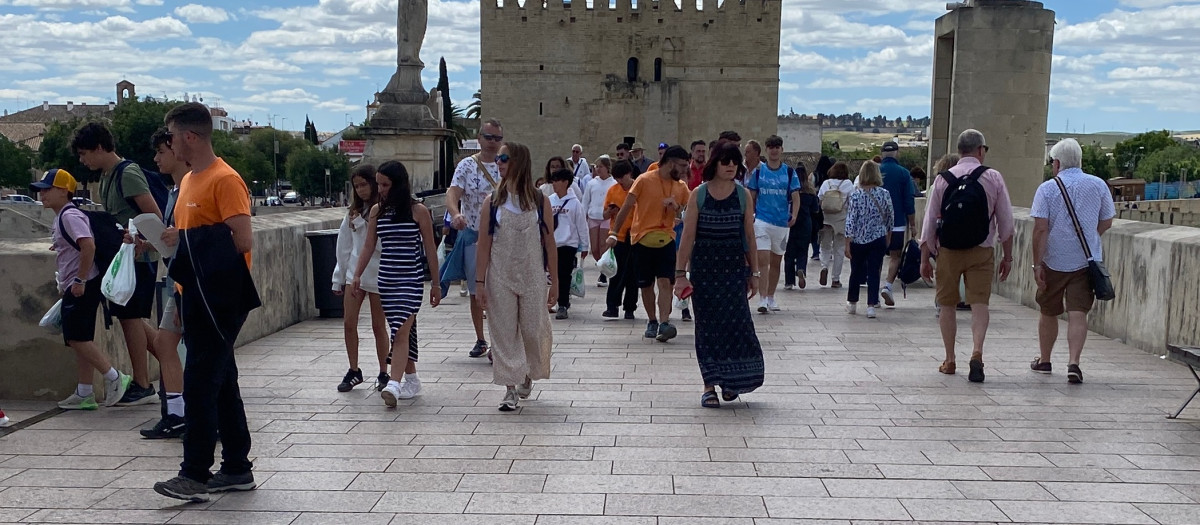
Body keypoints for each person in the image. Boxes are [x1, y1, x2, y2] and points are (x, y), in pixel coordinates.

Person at [154, 102, 260, 502]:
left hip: (221, 299)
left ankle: (194, 474)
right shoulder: (187, 184)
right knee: (221, 382)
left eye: (172, 136)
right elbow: (193, 240)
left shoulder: (224, 179)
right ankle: (236, 467)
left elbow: (242, 239)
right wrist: (170, 240)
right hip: (193, 295)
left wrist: (189, 243)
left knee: (199, 383)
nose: (169, 143)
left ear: (190, 137)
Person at [71, 122, 161, 406]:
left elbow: (153, 215)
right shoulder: (109, 175)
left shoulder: (127, 173)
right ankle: (175, 365)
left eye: (85, 154)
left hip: (137, 256)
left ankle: (143, 384)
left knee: (130, 317)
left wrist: (141, 242)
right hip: (124, 257)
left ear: (100, 148)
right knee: (129, 317)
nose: (83, 161)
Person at [31, 169, 132, 411]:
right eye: (41, 190)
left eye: (48, 189)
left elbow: (88, 246)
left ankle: (114, 377)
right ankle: (84, 392)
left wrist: (79, 280)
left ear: (64, 191)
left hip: (82, 285)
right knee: (80, 336)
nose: (42, 194)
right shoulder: (64, 216)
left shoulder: (69, 216)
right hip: (78, 283)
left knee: (76, 337)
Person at [919, 129, 1015, 383]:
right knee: (979, 305)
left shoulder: (943, 179)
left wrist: (924, 258)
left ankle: (950, 360)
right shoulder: (992, 177)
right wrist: (1008, 257)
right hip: (981, 250)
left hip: (948, 250)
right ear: (981, 150)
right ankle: (977, 353)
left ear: (960, 151)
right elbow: (1006, 223)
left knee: (947, 304)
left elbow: (929, 223)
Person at [673, 141, 763, 408]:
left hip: (733, 271)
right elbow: (687, 237)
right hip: (705, 273)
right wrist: (680, 274)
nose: (731, 166)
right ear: (715, 163)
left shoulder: (742, 195)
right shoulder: (699, 194)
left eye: (734, 161)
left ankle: (731, 380)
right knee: (708, 329)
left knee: (736, 326)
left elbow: (748, 236)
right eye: (725, 161)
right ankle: (709, 385)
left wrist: (754, 272)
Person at [476, 142, 558, 412]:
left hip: (533, 276)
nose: (498, 162)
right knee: (503, 333)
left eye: (504, 158)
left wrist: (555, 280)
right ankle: (509, 389)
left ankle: (526, 373)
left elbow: (549, 241)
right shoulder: (493, 202)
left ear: (518, 162)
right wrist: (479, 283)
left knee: (534, 330)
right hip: (500, 277)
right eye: (498, 158)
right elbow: (484, 244)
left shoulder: (539, 201)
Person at [353, 161, 441, 406]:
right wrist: (357, 274)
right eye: (378, 184)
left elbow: (430, 250)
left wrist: (436, 284)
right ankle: (411, 378)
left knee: (400, 330)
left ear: (398, 185)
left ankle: (394, 383)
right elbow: (368, 245)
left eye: (385, 184)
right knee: (402, 330)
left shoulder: (419, 211)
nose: (380, 189)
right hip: (387, 281)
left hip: (411, 280)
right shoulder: (376, 212)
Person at [1030, 138, 1116, 384]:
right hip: (1085, 261)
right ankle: (1074, 363)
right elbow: (1107, 220)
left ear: (1056, 163)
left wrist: (1037, 265)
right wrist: (1091, 238)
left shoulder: (1046, 189)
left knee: (1049, 311)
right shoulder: (1098, 185)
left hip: (1054, 260)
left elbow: (1040, 229)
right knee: (1078, 312)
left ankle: (1045, 359)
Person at [607, 145, 692, 342]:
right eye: (681, 166)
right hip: (641, 239)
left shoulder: (680, 186)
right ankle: (652, 320)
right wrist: (613, 233)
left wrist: (676, 207)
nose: (683, 170)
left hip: (667, 238)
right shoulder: (644, 180)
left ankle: (664, 322)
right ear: (670, 163)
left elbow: (687, 211)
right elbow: (627, 207)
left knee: (665, 282)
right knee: (646, 285)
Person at [138, 127, 188, 439]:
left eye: (161, 152)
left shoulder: (190, 189)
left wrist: (176, 236)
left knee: (197, 352)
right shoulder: (173, 191)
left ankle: (192, 415)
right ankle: (176, 413)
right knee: (165, 344)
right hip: (176, 279)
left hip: (190, 283)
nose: (156, 159)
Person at [443, 119, 504, 359]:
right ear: (479, 138)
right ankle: (482, 338)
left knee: (499, 288)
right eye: (488, 137)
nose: (492, 142)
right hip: (474, 234)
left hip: (501, 236)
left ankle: (499, 339)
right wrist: (455, 213)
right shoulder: (467, 166)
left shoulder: (505, 164)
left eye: (497, 138)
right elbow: (453, 192)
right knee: (476, 287)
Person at [332, 164, 391, 393]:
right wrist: (339, 277)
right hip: (354, 275)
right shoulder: (352, 213)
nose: (360, 190)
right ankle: (354, 369)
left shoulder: (383, 211)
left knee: (379, 326)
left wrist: (362, 224)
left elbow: (378, 246)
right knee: (349, 323)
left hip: (377, 274)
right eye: (356, 187)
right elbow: (344, 246)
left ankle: (383, 371)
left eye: (364, 185)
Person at [746, 135, 801, 313]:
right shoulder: (759, 172)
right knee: (763, 260)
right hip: (762, 221)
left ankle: (770, 296)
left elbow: (795, 196)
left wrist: (794, 214)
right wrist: (750, 215)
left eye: (777, 147)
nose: (774, 150)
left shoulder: (789, 172)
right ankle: (762, 299)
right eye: (771, 147)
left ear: (781, 150)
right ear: (767, 150)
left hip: (781, 223)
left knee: (776, 262)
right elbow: (752, 194)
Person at [844, 161, 894, 319]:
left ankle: (852, 302)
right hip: (878, 237)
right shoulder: (884, 193)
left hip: (858, 239)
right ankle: (871, 305)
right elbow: (890, 218)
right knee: (874, 272)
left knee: (856, 271)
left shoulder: (856, 195)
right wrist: (888, 236)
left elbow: (851, 219)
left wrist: (847, 242)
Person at [548, 168, 590, 319]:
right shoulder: (550, 200)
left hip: (568, 244)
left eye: (557, 180)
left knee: (564, 275)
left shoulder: (575, 203)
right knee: (552, 275)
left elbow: (581, 225)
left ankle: (563, 304)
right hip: (551, 244)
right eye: (552, 180)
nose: (554, 183)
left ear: (566, 182)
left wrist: (585, 246)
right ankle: (553, 300)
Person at [878, 141, 916, 308]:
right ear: (897, 153)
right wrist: (913, 224)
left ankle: (873, 294)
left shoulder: (874, 171)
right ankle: (887, 285)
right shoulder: (903, 173)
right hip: (897, 223)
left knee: (876, 257)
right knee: (895, 256)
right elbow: (909, 200)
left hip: (875, 224)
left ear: (882, 153)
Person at [601, 160, 641, 319]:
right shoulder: (613, 190)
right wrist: (611, 211)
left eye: (622, 178)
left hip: (636, 235)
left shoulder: (639, 187)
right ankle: (612, 306)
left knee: (633, 274)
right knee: (615, 272)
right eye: (617, 178)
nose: (619, 182)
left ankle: (630, 307)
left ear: (629, 174)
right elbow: (603, 214)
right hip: (617, 236)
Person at [817, 162, 854, 288]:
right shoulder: (848, 184)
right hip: (841, 218)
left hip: (826, 218)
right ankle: (835, 279)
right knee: (839, 249)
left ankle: (824, 266)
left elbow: (820, 198)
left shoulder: (826, 183)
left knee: (825, 246)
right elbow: (852, 202)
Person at [583, 156, 617, 288]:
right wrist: (583, 216)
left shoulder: (613, 183)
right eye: (596, 167)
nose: (598, 169)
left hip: (606, 217)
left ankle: (603, 274)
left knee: (603, 246)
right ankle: (600, 265)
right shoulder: (591, 183)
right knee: (595, 248)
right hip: (593, 217)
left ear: (607, 168)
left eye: (600, 167)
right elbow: (585, 201)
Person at [784, 165, 818, 290]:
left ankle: (789, 281)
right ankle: (801, 269)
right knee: (803, 251)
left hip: (792, 223)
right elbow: (815, 209)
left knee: (789, 254)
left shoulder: (791, 192)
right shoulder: (811, 192)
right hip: (806, 224)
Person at [810, 155, 834, 261]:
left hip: (816, 204)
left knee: (815, 229)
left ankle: (816, 252)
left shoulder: (814, 175)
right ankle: (827, 251)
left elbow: (809, 188)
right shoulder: (831, 177)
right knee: (827, 229)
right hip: (828, 205)